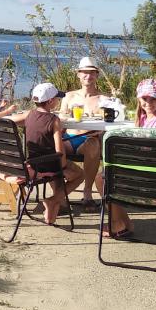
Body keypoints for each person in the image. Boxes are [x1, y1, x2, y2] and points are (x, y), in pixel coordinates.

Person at [99, 77, 156, 239]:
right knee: (103, 176)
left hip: (149, 179)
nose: (148, 102)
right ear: (139, 100)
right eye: (144, 99)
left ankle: (117, 223)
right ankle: (124, 223)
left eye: (153, 98)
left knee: (103, 179)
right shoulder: (144, 120)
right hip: (143, 174)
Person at [24, 82, 86, 225]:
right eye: (57, 98)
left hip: (33, 162)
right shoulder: (54, 120)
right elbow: (59, 151)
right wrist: (63, 166)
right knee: (80, 175)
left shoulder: (29, 115)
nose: (59, 101)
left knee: (61, 169)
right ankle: (53, 200)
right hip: (49, 165)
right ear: (51, 101)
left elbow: (15, 121)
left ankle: (53, 209)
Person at [58, 56, 108, 210]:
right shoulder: (69, 96)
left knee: (93, 145)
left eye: (92, 72)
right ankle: (59, 196)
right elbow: (61, 119)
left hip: (88, 139)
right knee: (51, 147)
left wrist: (99, 132)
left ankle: (87, 193)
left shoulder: (103, 99)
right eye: (84, 72)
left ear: (97, 75)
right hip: (68, 138)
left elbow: (108, 123)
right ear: (78, 74)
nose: (88, 76)